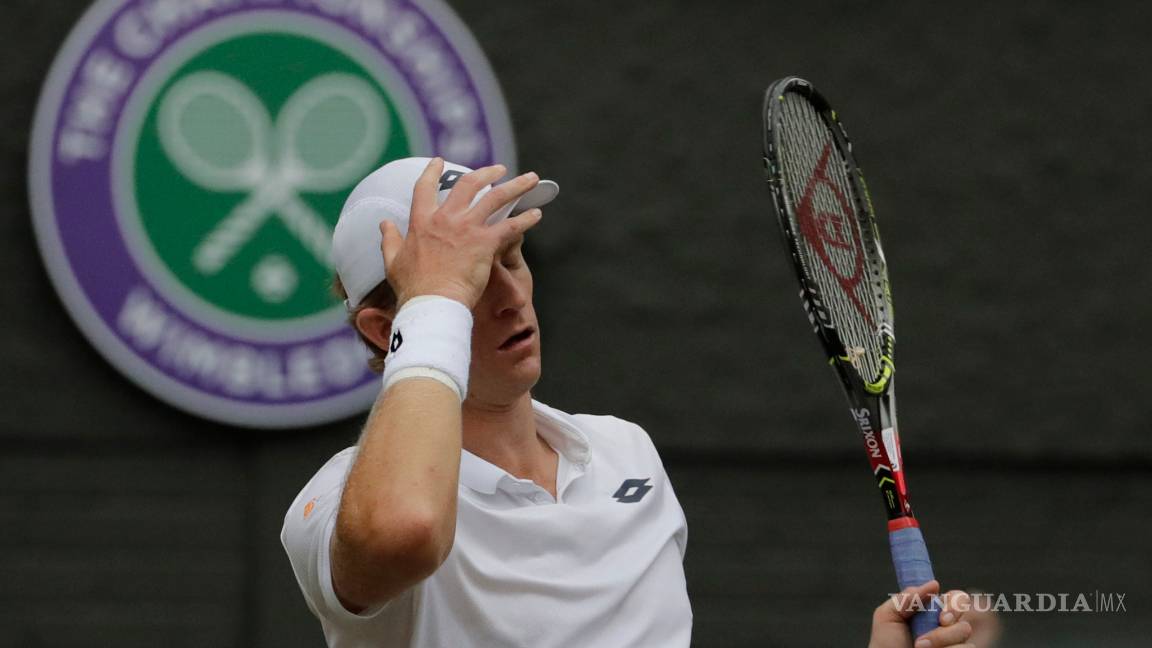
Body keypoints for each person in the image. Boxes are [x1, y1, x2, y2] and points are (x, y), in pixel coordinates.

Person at [281, 157, 983, 647]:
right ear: (386, 329)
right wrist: (435, 300)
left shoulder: (625, 452)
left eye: (512, 258)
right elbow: (405, 528)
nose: (512, 296)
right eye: (473, 280)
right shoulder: (337, 503)